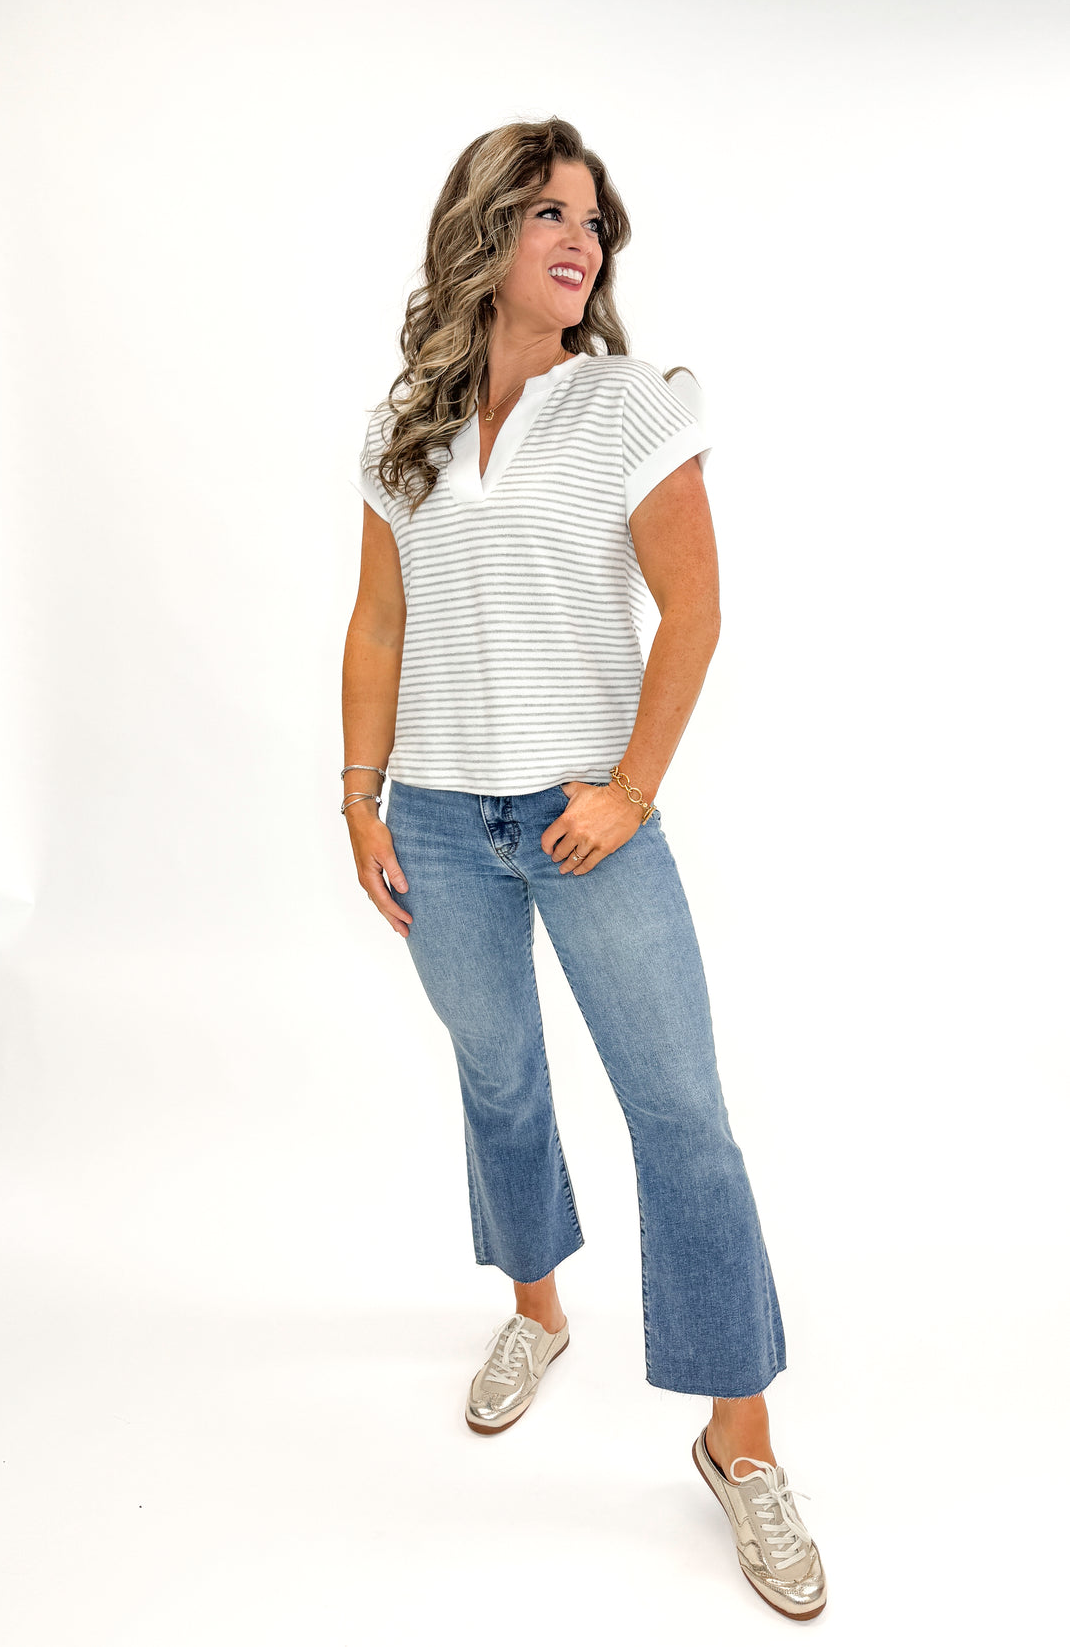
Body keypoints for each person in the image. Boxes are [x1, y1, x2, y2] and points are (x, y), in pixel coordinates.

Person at [341, 116, 827, 1622]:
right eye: (549, 211)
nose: (582, 239)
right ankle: (535, 1311)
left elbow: (696, 610)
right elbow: (378, 624)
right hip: (434, 818)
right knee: (498, 1077)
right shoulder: (405, 421)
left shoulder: (632, 403)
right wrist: (359, 793)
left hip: (581, 821)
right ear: (481, 229)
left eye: (596, 221)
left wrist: (628, 787)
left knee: (685, 1116)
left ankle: (738, 1440)